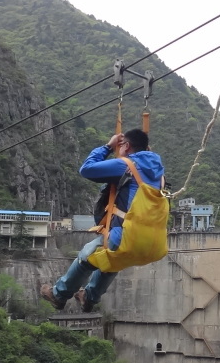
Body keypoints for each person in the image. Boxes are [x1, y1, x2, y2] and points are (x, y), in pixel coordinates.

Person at [41, 128, 165, 312]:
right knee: (112, 258)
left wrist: (108, 147)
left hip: (126, 236)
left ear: (127, 146)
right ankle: (89, 298)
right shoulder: (159, 172)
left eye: (122, 146)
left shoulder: (127, 165)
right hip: (152, 243)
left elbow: (87, 169)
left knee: (87, 256)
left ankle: (59, 295)